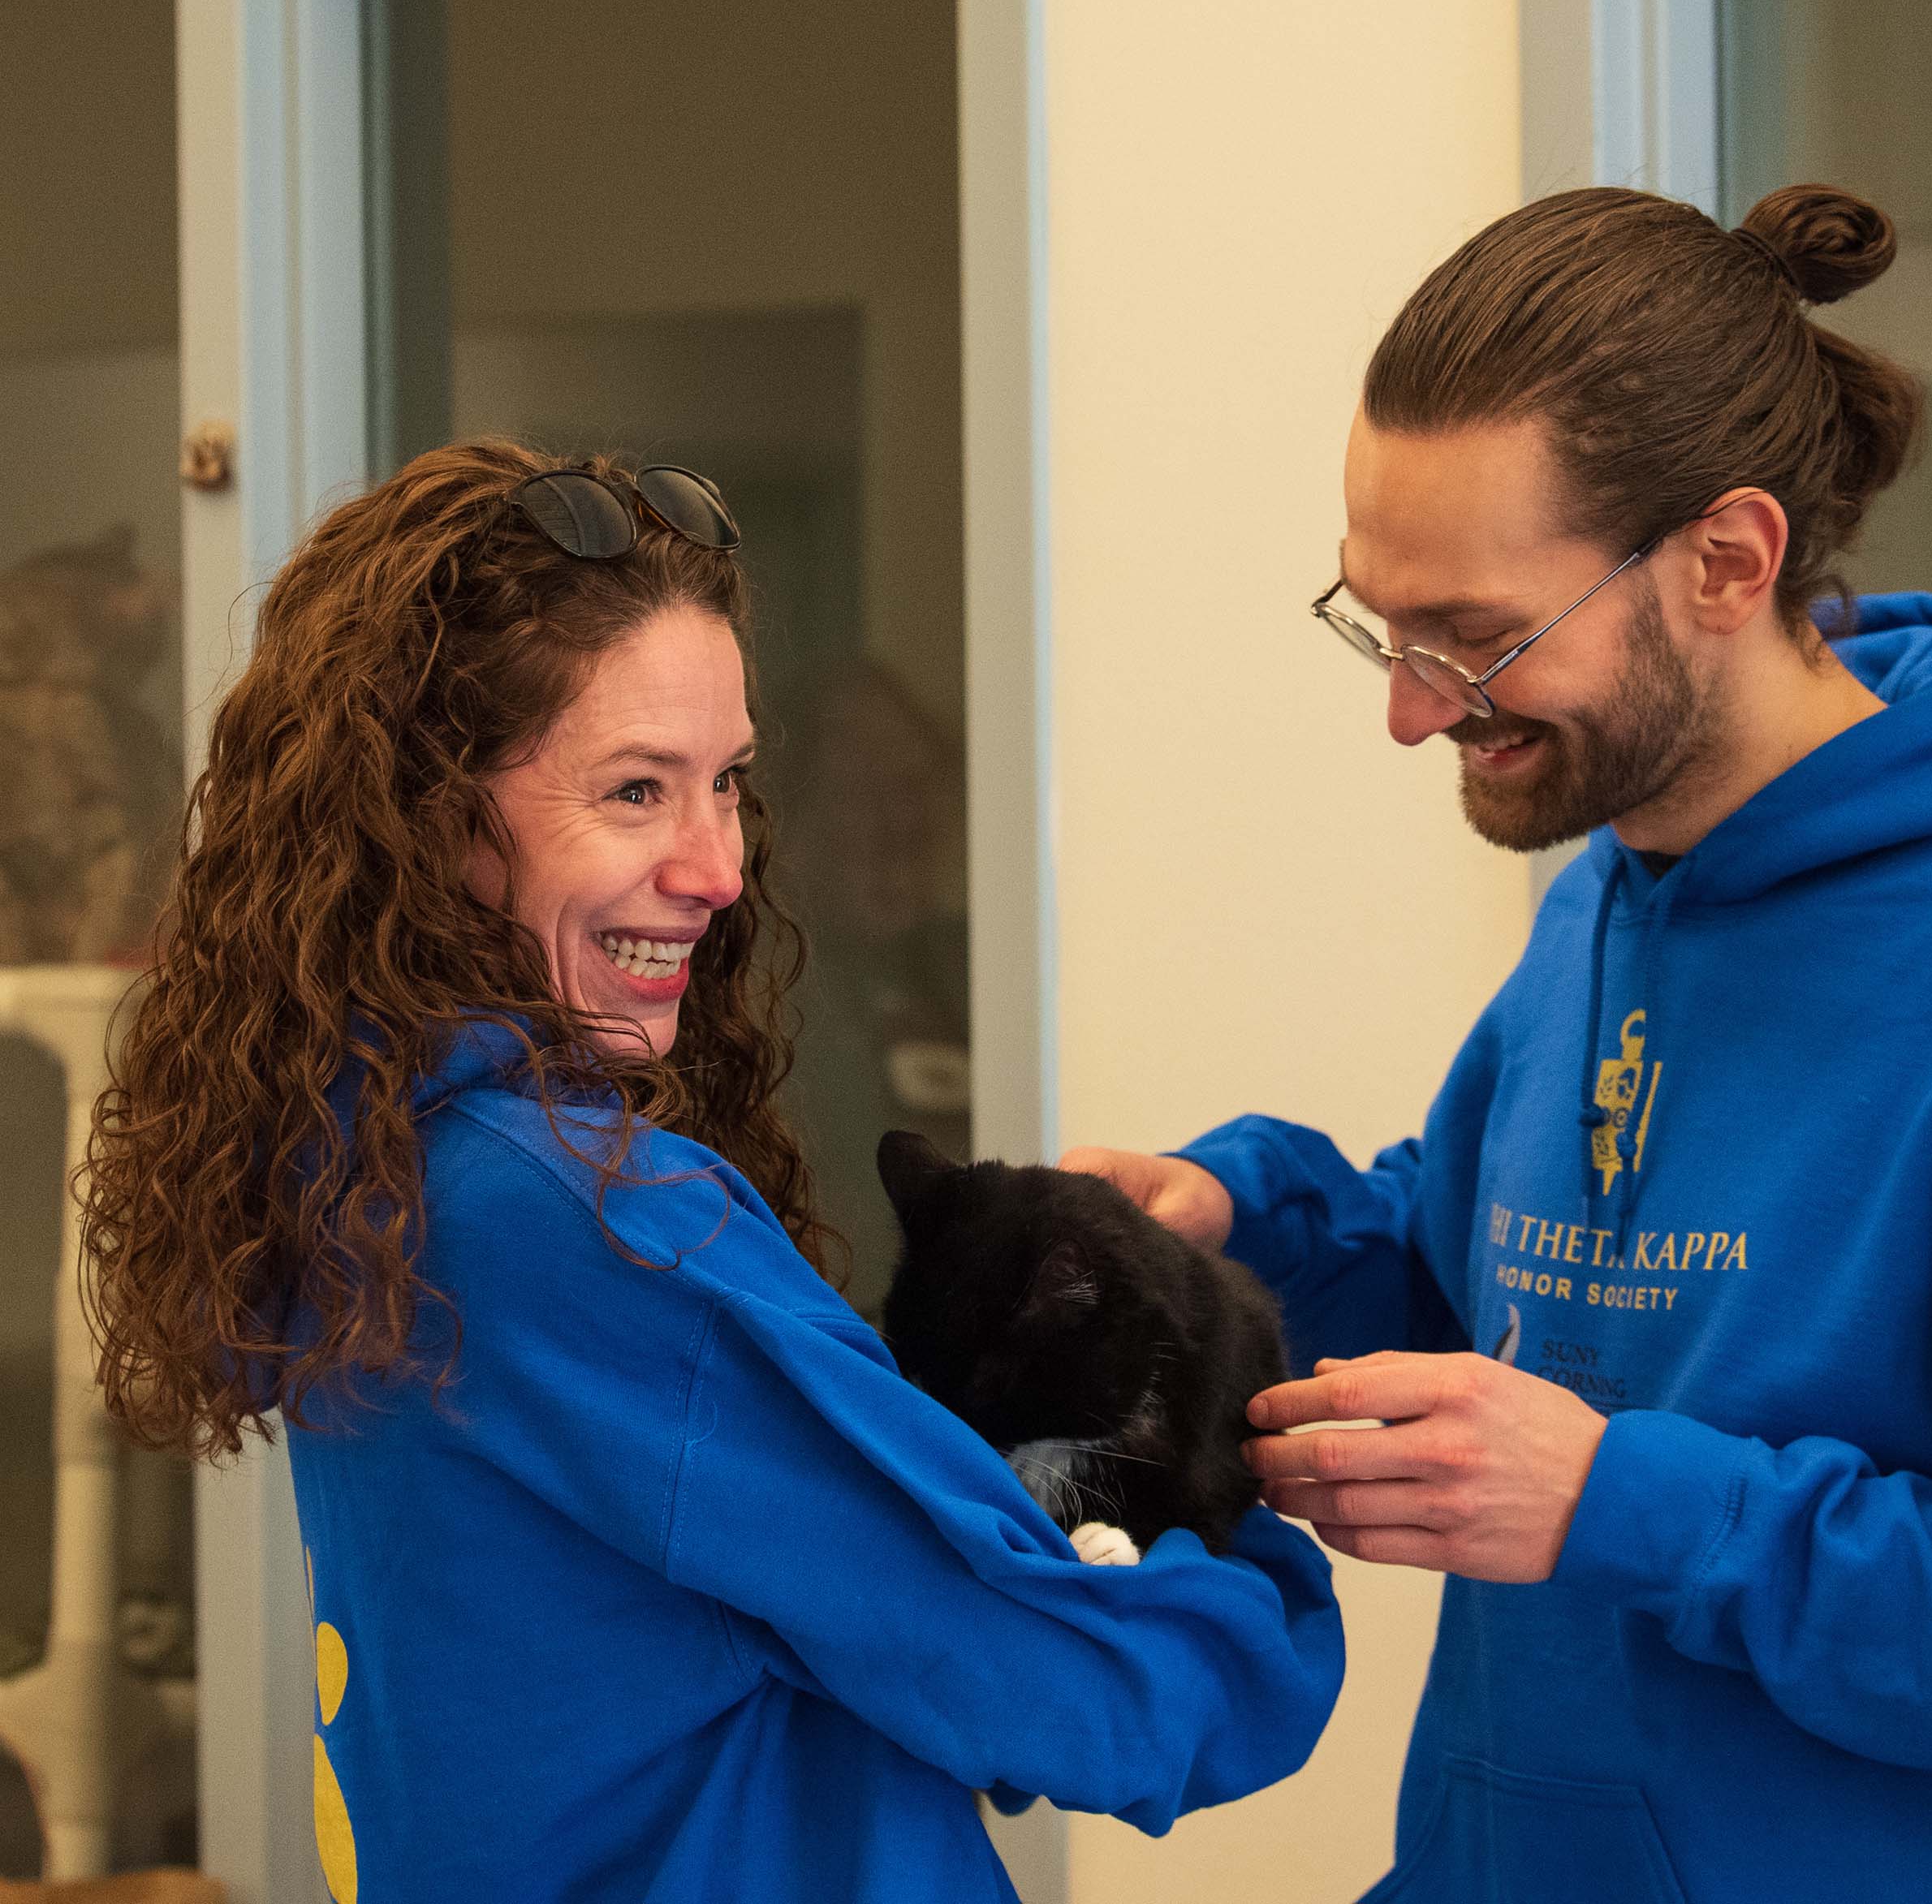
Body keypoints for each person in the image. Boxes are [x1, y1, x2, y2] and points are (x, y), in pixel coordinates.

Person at [1067, 186, 1932, 1903]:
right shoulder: (1611, 893)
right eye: (1380, 620)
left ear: (1727, 561)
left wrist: (1637, 1504)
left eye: (1477, 635)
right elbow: (1492, 1299)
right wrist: (1234, 1235)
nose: (1411, 704)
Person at [78, 442, 1340, 1903]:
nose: (721, 867)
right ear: (430, 821)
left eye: (726, 783)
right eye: (633, 791)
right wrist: (1254, 1543)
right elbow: (1091, 1701)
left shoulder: (368, 1162)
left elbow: (847, 1636)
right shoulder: (595, 1230)